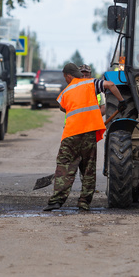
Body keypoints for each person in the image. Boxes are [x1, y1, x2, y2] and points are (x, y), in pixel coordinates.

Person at [44, 63, 126, 211]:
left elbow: (62, 107)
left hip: (71, 135)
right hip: (89, 134)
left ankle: (56, 201)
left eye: (65, 78)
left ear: (68, 76)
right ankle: (84, 203)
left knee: (64, 166)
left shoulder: (65, 92)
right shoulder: (92, 83)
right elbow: (111, 84)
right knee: (88, 168)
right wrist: (121, 101)